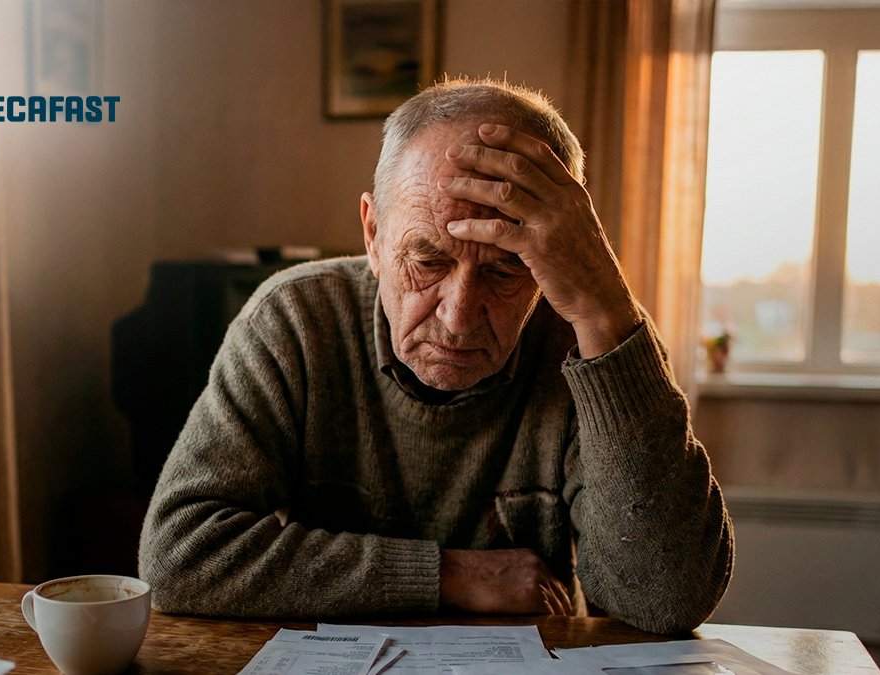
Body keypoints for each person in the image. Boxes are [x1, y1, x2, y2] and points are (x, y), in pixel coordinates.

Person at [138, 78, 733, 634]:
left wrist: (607, 313)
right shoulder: (294, 319)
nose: (457, 315)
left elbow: (666, 598)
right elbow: (179, 555)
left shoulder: (593, 338)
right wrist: (446, 574)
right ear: (373, 234)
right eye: (428, 262)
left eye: (505, 269)